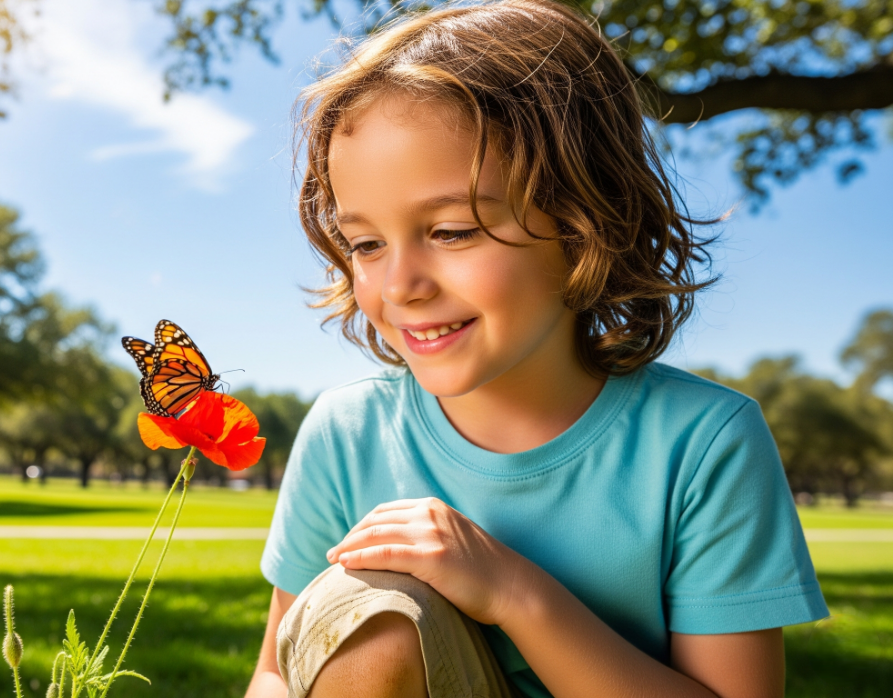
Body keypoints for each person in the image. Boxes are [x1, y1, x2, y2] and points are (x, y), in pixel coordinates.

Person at [244, 2, 829, 697]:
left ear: (582, 222)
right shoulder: (346, 434)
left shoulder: (703, 443)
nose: (400, 285)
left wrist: (512, 591)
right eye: (365, 244)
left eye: (453, 231)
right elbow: (280, 673)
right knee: (376, 612)